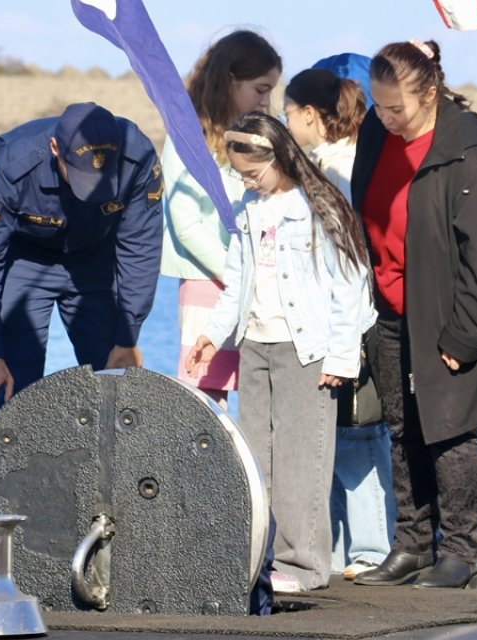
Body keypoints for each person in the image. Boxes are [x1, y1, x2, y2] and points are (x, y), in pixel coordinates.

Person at [349, 39, 477, 590]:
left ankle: (461, 552)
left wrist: (464, 337)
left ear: (429, 93)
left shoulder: (466, 154)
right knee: (403, 433)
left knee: (450, 434)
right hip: (390, 312)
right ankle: (413, 544)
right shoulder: (379, 133)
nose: (386, 117)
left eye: (396, 107)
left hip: (449, 319)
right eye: (378, 105)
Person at [185, 112, 376, 593]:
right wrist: (213, 334)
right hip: (256, 342)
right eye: (241, 175)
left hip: (304, 347)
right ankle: (261, 556)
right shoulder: (249, 208)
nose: (247, 182)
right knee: (256, 456)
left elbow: (350, 284)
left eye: (252, 173)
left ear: (277, 156)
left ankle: (305, 565)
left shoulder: (320, 205)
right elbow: (237, 278)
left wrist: (339, 356)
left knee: (301, 457)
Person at [0, 102, 163, 410]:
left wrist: (128, 335)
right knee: (9, 387)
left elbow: (141, 248)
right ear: (55, 147)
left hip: (96, 261)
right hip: (27, 260)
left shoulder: (138, 157)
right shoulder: (13, 164)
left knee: (118, 387)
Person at [283, 60, 395, 581]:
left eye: (287, 112)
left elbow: (347, 255)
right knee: (343, 433)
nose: (284, 122)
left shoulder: (334, 170)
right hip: (347, 317)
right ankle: (346, 547)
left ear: (310, 114)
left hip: (352, 318)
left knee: (356, 435)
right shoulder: (344, 160)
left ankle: (370, 547)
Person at [162, 30, 282, 404]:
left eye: (271, 91)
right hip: (206, 282)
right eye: (260, 89)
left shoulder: (261, 136)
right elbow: (187, 224)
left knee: (261, 394)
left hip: (257, 287)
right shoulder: (187, 136)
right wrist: (236, 276)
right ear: (231, 82)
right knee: (206, 401)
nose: (266, 101)